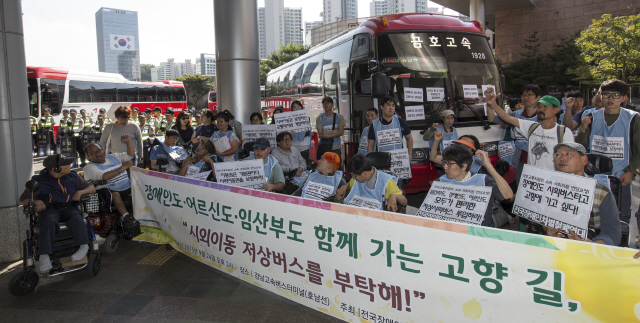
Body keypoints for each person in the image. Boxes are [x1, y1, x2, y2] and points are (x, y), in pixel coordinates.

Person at [575, 79, 639, 238]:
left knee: (621, 216)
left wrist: (630, 171)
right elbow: (580, 148)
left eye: (616, 95)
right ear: (600, 97)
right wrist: (582, 129)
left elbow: (639, 150)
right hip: (592, 177)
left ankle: (619, 245)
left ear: (624, 98)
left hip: (621, 176)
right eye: (606, 95)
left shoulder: (633, 118)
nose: (610, 99)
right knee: (590, 214)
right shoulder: (590, 116)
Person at [19, 154, 96, 273]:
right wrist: (35, 201)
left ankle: (83, 246)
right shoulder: (39, 181)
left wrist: (81, 192)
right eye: (66, 164)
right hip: (50, 209)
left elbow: (92, 188)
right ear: (56, 168)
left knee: (76, 217)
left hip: (69, 207)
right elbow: (23, 200)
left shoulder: (73, 176)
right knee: (49, 219)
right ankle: (44, 256)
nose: (70, 165)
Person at [544, 142, 621, 245]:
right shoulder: (547, 186)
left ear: (584, 160)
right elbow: (541, 217)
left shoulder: (601, 191)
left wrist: (593, 245)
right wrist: (546, 228)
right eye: (558, 154)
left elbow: (613, 232)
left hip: (591, 245)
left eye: (568, 154)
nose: (562, 158)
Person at [485, 88, 573, 171]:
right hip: (531, 177)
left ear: (556, 109)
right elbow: (507, 118)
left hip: (552, 179)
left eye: (545, 107)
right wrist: (493, 104)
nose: (541, 109)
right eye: (539, 106)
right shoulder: (532, 127)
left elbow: (570, 157)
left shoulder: (564, 132)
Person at [432, 145, 514, 227]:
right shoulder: (440, 182)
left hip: (481, 232)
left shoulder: (483, 181)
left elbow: (508, 195)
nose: (445, 167)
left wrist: (488, 165)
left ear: (464, 166)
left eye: (450, 164)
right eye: (444, 162)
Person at [487, 84, 542, 171]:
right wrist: (489, 104)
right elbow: (492, 118)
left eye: (529, 95)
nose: (526, 98)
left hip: (539, 158)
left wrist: (493, 104)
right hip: (520, 158)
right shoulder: (517, 114)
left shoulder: (542, 115)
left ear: (538, 97)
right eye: (523, 95)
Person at [83, 136, 136, 219]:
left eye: (98, 151)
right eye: (93, 153)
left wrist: (128, 141)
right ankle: (127, 217)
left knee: (140, 189)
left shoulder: (113, 157)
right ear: (88, 157)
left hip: (127, 187)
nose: (97, 154)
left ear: (103, 150)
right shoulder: (88, 168)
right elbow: (105, 176)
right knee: (115, 194)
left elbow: (131, 155)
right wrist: (123, 167)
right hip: (108, 192)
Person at [335, 154, 407, 211]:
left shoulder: (386, 181)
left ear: (365, 173)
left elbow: (405, 202)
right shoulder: (356, 178)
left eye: (355, 176)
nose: (353, 178)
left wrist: (395, 196)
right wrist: (345, 186)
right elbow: (351, 184)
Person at [367, 96, 413, 163]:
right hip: (381, 161)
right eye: (388, 105)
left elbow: (409, 139)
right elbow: (370, 145)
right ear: (381, 107)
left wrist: (409, 155)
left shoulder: (401, 122)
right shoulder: (374, 125)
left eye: (393, 105)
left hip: (398, 161)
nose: (391, 108)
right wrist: (369, 161)